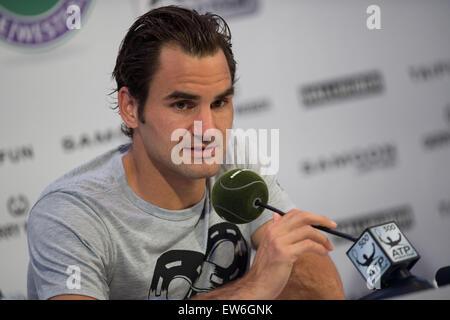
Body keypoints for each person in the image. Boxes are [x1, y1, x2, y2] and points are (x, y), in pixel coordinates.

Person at [26, 6, 345, 300]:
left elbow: (321, 288)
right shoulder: (71, 214)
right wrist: (253, 288)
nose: (208, 129)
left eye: (219, 103)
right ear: (130, 108)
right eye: (182, 104)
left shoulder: (234, 163)